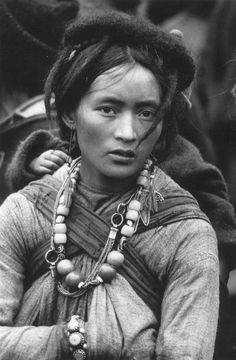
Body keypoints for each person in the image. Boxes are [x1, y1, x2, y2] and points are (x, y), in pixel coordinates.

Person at [0, 10, 219, 359]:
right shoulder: (24, 212)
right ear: (71, 113)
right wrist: (69, 341)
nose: (128, 133)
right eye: (108, 109)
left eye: (146, 112)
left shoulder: (186, 234)